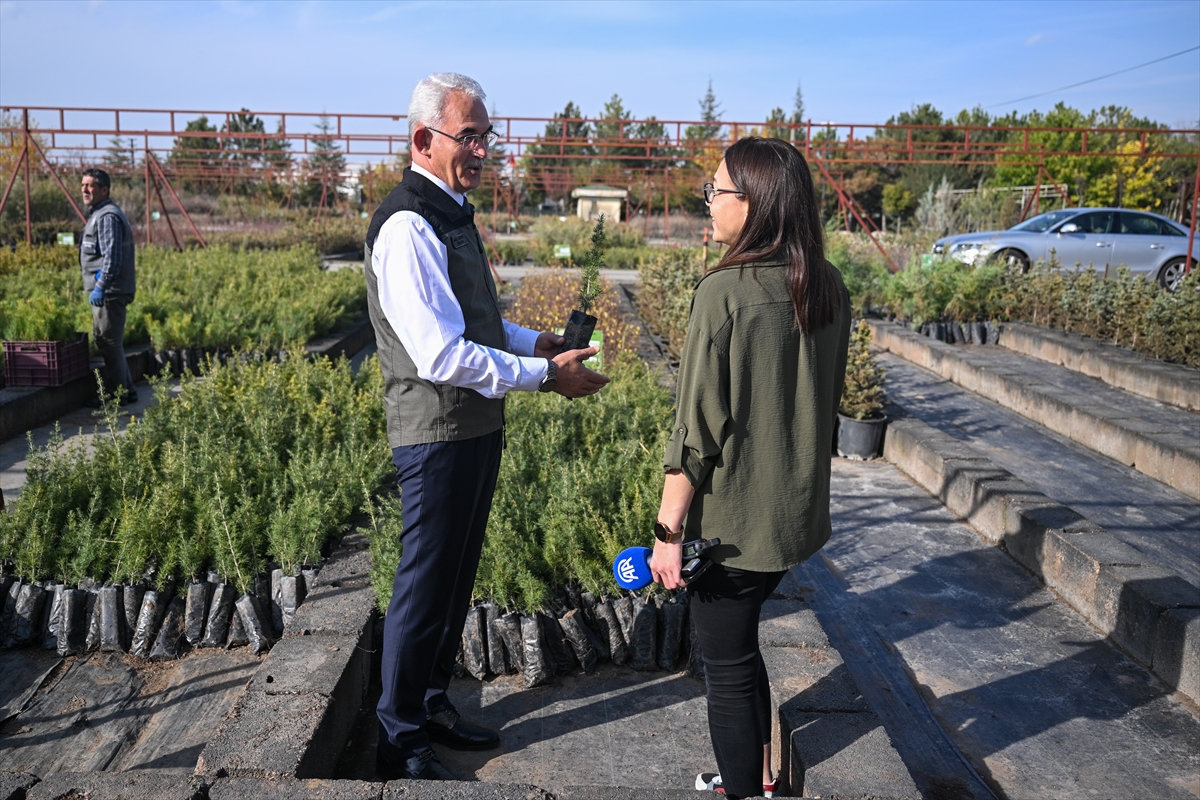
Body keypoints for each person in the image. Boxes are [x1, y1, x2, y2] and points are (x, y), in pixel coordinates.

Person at [365, 72, 609, 782]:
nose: (481, 149)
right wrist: (544, 378)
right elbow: (439, 352)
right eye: (468, 135)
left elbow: (475, 322)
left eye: (485, 135)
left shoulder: (450, 213)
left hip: (471, 425)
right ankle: (399, 735)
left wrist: (537, 344)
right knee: (424, 583)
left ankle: (431, 700)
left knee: (454, 578)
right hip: (435, 431)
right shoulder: (409, 223)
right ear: (423, 139)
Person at [649, 137, 851, 799]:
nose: (708, 200)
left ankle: (745, 790)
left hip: (732, 522)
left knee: (727, 668)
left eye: (717, 190)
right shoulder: (826, 287)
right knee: (740, 647)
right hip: (790, 518)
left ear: (755, 202)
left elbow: (697, 429)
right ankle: (758, 776)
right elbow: (827, 406)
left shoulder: (726, 291)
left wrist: (667, 530)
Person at [80, 168, 137, 406]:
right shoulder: (100, 213)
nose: (85, 189)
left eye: (91, 185)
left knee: (108, 341)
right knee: (108, 340)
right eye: (83, 184)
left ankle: (116, 395)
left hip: (110, 291)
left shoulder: (107, 216)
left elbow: (112, 257)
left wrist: (101, 286)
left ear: (104, 190)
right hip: (108, 289)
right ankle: (128, 390)